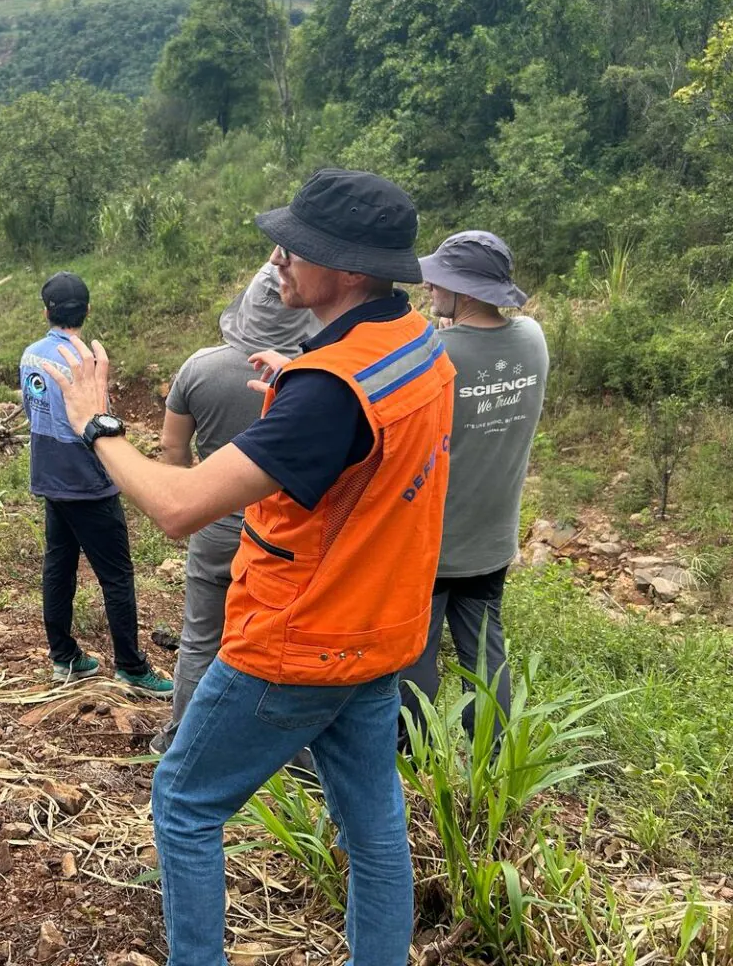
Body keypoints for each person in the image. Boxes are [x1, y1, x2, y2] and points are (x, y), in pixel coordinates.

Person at [40, 168, 455, 966]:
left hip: (297, 645)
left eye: (297, 245)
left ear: (350, 269)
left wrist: (96, 424)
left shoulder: (331, 392)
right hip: (380, 636)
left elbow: (178, 505)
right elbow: (366, 459)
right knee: (372, 827)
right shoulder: (412, 346)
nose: (278, 257)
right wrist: (293, 396)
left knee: (185, 801)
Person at [150, 260, 321, 754]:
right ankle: (289, 753)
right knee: (290, 642)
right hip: (290, 535)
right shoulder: (317, 375)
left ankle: (181, 737)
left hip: (216, 526)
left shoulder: (201, 368)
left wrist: (193, 496)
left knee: (202, 635)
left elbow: (172, 448)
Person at [398, 231, 549, 746]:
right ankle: (488, 759)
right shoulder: (532, 339)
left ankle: (407, 760)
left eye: (440, 278)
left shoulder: (431, 350)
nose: (429, 284)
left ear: (463, 290)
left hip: (431, 544)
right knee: (486, 651)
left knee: (413, 655)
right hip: (493, 538)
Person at [18, 271, 172, 697]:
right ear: (85, 310)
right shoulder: (86, 360)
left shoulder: (31, 355)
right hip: (88, 480)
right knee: (117, 575)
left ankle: (64, 657)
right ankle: (131, 665)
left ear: (46, 310)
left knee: (59, 566)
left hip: (49, 476)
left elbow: (36, 412)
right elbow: (92, 422)